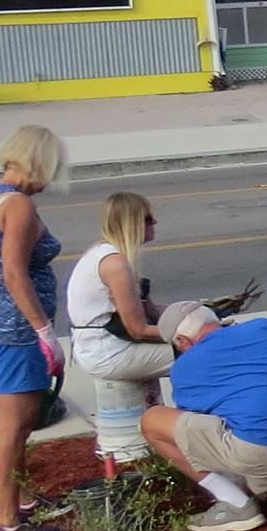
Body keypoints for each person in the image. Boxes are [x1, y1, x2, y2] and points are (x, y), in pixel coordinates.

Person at [142, 304, 267, 531]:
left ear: (182, 341)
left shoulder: (184, 367)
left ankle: (235, 504)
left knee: (152, 420)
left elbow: (195, 431)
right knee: (259, 479)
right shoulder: (264, 328)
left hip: (260, 453)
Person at [0, 126, 68, 531]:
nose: (53, 178)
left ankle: (22, 500)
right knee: (15, 425)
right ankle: (6, 525)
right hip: (15, 330)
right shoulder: (19, 206)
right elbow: (13, 273)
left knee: (19, 423)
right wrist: (44, 331)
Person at [66, 192, 174, 467]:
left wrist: (195, 312)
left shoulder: (104, 254)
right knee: (201, 355)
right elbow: (138, 329)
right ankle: (195, 434)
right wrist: (187, 334)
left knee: (199, 344)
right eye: (148, 219)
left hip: (102, 346)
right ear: (132, 223)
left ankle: (170, 431)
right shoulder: (115, 264)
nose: (155, 223)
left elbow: (150, 310)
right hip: (108, 353)